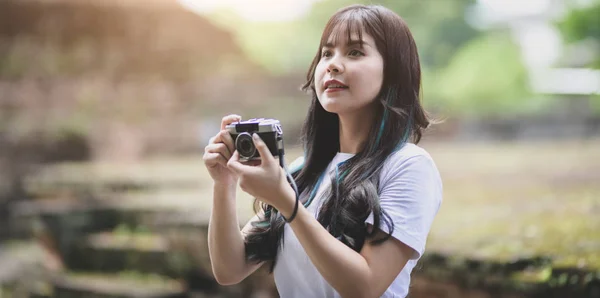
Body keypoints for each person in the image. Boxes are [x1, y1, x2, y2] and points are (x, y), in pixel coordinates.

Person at [203, 4, 443, 298]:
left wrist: (288, 204)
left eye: (355, 52)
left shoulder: (409, 166)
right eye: (327, 53)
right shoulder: (303, 171)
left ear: (393, 70)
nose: (333, 64)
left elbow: (365, 286)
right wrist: (223, 184)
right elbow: (230, 269)